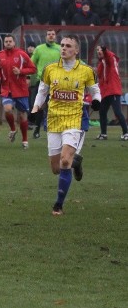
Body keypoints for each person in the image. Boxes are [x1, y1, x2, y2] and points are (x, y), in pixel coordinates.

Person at [31, 35, 101, 216]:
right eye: (62, 45)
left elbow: (95, 90)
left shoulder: (86, 70)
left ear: (76, 50)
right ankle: (75, 163)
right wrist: (36, 108)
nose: (63, 48)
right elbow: (42, 91)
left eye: (68, 46)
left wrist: (96, 101)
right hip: (54, 119)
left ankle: (58, 205)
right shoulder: (50, 69)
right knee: (56, 168)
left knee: (64, 161)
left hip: (75, 119)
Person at [0, 35, 36, 149]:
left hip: (20, 89)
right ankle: (13, 129)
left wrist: (21, 71)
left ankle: (25, 140)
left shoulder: (22, 54)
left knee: (23, 115)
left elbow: (33, 69)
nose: (8, 43)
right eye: (6, 41)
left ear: (14, 43)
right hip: (6, 88)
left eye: (10, 41)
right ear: (4, 43)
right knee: (7, 109)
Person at [30, 30, 61, 139]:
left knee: (56, 106)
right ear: (46, 36)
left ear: (55, 36)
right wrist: (30, 77)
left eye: (53, 34)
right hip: (42, 81)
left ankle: (56, 129)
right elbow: (31, 63)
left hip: (57, 82)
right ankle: (37, 129)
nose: (51, 36)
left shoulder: (60, 49)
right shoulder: (39, 49)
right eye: (49, 34)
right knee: (39, 106)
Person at [94, 45, 128, 140]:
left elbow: (108, 56)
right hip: (106, 92)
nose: (98, 51)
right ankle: (103, 134)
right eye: (97, 50)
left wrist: (105, 50)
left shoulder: (110, 58)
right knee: (102, 112)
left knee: (117, 112)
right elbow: (100, 76)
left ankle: (126, 133)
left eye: (100, 49)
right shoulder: (101, 63)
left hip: (113, 90)